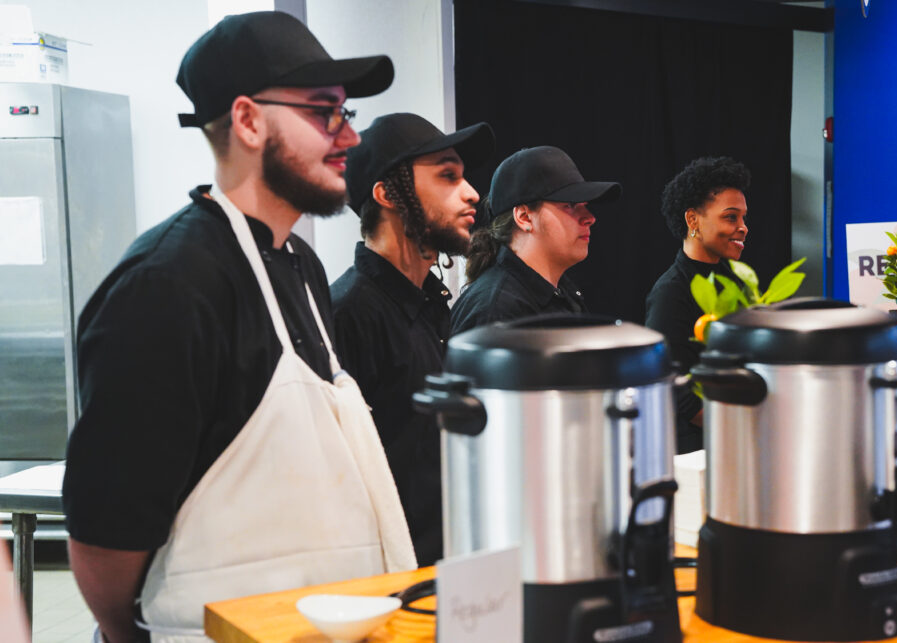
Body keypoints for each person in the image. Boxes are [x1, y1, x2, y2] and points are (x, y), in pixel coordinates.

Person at [61, 12, 416, 642]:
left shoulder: (300, 264)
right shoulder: (166, 286)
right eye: (323, 111)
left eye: (347, 113)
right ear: (249, 120)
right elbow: (106, 534)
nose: (350, 137)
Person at [331, 112, 494, 566]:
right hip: (390, 583)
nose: (472, 193)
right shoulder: (347, 313)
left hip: (453, 566)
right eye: (447, 176)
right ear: (387, 193)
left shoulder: (432, 302)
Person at [450, 146, 620, 333]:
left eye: (585, 205)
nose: (590, 218)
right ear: (524, 217)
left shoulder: (562, 294)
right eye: (570, 205)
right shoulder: (497, 311)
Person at [645, 156, 751, 453]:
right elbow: (675, 389)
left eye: (743, 218)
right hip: (697, 451)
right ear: (693, 220)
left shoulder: (736, 280)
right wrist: (737, 431)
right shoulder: (671, 292)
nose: (743, 227)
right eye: (731, 217)